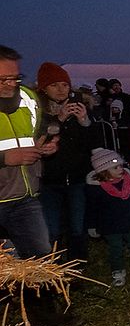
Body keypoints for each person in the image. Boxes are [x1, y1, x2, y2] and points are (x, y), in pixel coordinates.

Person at [0, 46, 58, 260]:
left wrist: (47, 145)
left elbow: (39, 131)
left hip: (25, 197)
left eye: (15, 77)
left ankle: (39, 294)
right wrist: (5, 158)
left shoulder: (28, 97)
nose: (11, 84)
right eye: (3, 79)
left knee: (40, 262)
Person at [36, 62, 96, 264]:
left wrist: (85, 122)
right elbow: (38, 140)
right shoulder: (37, 112)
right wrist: (59, 119)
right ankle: (52, 268)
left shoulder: (81, 108)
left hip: (77, 179)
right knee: (51, 228)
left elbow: (93, 144)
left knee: (77, 227)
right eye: (54, 85)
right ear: (44, 88)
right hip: (49, 181)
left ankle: (77, 268)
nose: (61, 89)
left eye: (64, 84)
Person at [85, 148, 130, 287]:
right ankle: (118, 273)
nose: (120, 169)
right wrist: (92, 225)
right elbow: (92, 208)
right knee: (115, 249)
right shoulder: (96, 189)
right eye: (115, 167)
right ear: (104, 171)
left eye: (121, 165)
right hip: (111, 225)